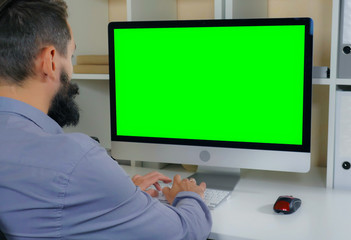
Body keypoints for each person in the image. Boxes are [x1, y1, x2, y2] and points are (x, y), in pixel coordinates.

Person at [0, 0, 212, 239]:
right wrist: (190, 195)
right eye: (71, 55)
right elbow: (183, 232)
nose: (71, 69)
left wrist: (116, 196)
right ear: (50, 60)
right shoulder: (76, 161)